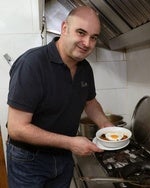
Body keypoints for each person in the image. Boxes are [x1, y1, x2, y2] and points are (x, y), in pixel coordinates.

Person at [6, 6, 113, 188]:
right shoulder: (32, 64)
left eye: (93, 37)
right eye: (81, 32)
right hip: (28, 161)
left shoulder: (85, 68)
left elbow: (90, 102)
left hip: (63, 157)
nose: (87, 43)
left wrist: (106, 126)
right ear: (64, 28)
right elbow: (17, 128)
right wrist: (71, 142)